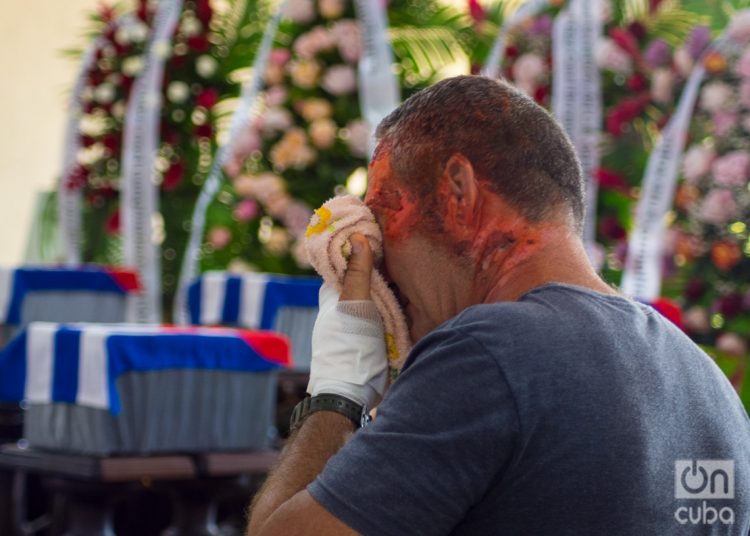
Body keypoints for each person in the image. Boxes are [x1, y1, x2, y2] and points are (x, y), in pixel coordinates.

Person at [246, 75, 750, 535]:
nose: (375, 259)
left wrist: (338, 390)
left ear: (458, 194)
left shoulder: (489, 353)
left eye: (382, 213)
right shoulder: (709, 388)